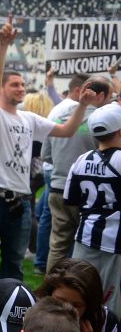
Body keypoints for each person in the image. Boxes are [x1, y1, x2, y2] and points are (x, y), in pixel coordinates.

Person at [0, 18, 99, 288]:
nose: (21, 88)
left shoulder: (29, 119)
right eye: (15, 85)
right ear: (2, 88)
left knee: (13, 261)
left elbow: (68, 130)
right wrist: (2, 46)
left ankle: (9, 307)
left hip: (21, 202)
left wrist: (81, 105)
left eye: (23, 85)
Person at [43, 76, 113, 272]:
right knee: (85, 247)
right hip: (88, 193)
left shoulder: (58, 115)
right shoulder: (103, 122)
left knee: (57, 245)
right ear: (100, 96)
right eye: (110, 97)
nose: (111, 101)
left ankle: (51, 293)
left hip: (57, 187)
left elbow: (45, 155)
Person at [63, 103, 121, 316]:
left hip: (86, 236)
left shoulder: (81, 160)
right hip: (114, 244)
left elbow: (70, 199)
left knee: (80, 292)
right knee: (111, 302)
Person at [37, 258, 121, 332]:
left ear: (89, 306)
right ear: (49, 294)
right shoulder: (34, 312)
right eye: (59, 301)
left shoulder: (106, 322)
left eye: (76, 305)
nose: (67, 310)